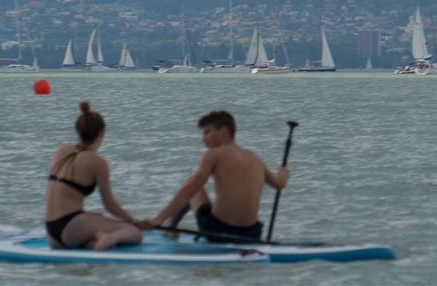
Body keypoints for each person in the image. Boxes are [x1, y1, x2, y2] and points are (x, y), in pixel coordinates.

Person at [141, 110, 290, 243]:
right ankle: (169, 227)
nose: (203, 139)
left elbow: (190, 189)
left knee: (192, 184)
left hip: (218, 231)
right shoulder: (255, 158)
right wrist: (284, 173)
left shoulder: (213, 154)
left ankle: (169, 229)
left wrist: (157, 219)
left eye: (207, 132)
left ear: (224, 132)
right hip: (252, 234)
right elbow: (279, 184)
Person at [45, 101, 142, 250]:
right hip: (70, 228)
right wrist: (132, 220)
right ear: (102, 132)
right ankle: (109, 238)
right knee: (134, 233)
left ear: (78, 131)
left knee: (96, 217)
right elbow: (109, 204)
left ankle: (95, 240)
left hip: (51, 232)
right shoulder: (97, 162)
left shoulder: (62, 149)